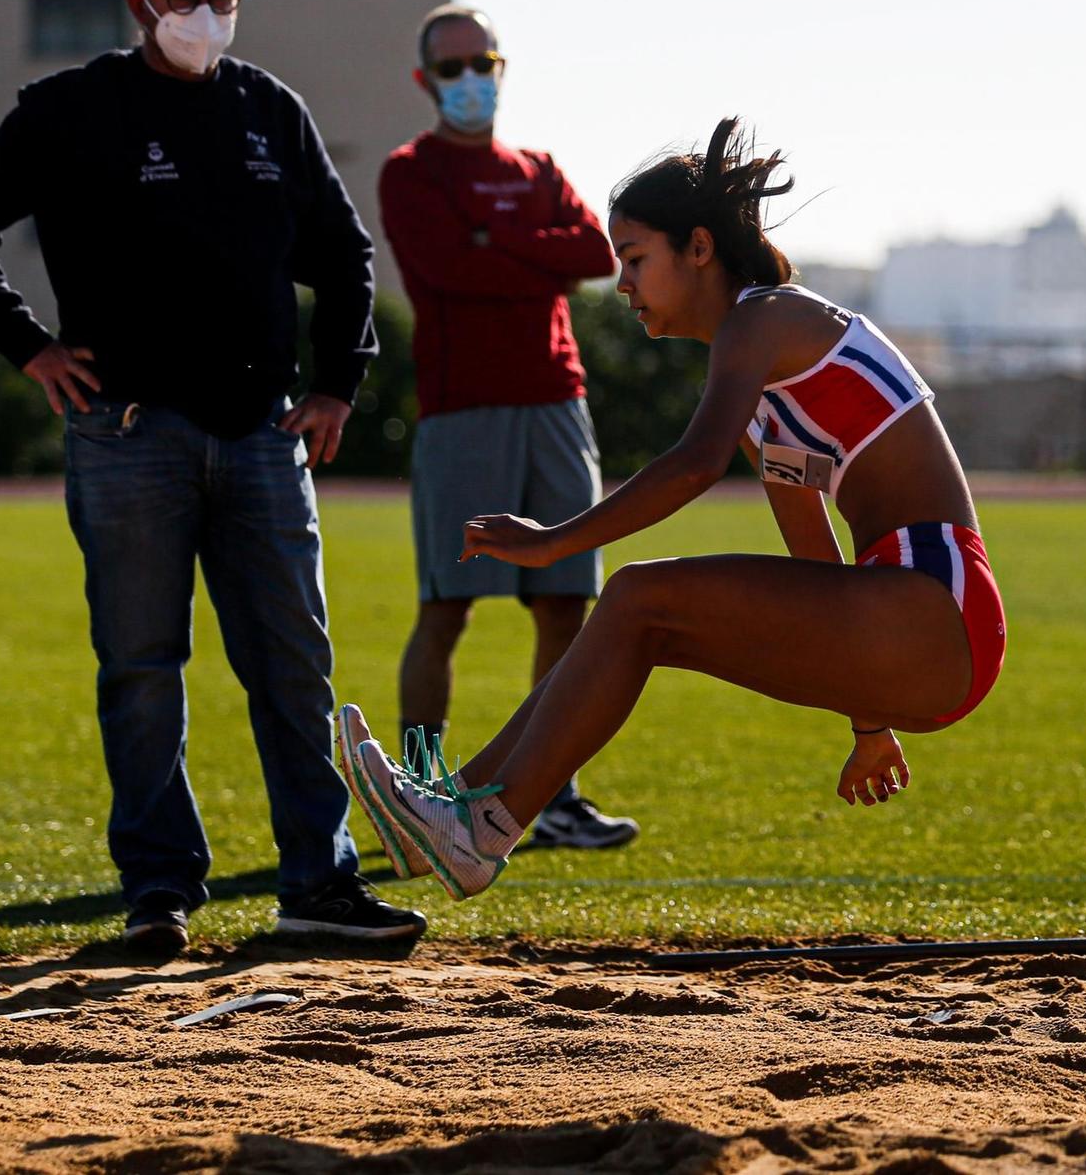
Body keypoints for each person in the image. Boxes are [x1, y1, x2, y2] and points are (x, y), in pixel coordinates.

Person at [0, 0, 425, 950]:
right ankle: (158, 893)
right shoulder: (71, 109)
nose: (201, 12)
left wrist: (338, 385)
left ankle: (317, 888)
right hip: (126, 432)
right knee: (141, 669)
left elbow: (343, 254)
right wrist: (29, 346)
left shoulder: (267, 110)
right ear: (140, 1)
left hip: (261, 435)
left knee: (294, 666)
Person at [336, 119, 1006, 900]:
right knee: (637, 613)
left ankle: (474, 828)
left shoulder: (766, 318)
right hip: (914, 631)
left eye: (635, 258)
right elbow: (814, 564)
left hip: (940, 604)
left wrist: (555, 542)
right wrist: (868, 721)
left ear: (698, 248)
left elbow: (692, 466)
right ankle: (454, 813)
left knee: (637, 594)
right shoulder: (762, 384)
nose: (622, 285)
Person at [375, 5, 639, 850]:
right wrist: (529, 252)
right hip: (463, 415)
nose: (469, 79)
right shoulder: (410, 172)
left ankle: (553, 792)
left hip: (557, 402)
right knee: (447, 607)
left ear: (500, 67)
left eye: (480, 61)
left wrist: (500, 237)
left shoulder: (536, 166)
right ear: (426, 81)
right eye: (451, 67)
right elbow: (448, 269)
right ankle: (416, 788)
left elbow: (596, 254)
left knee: (568, 604)